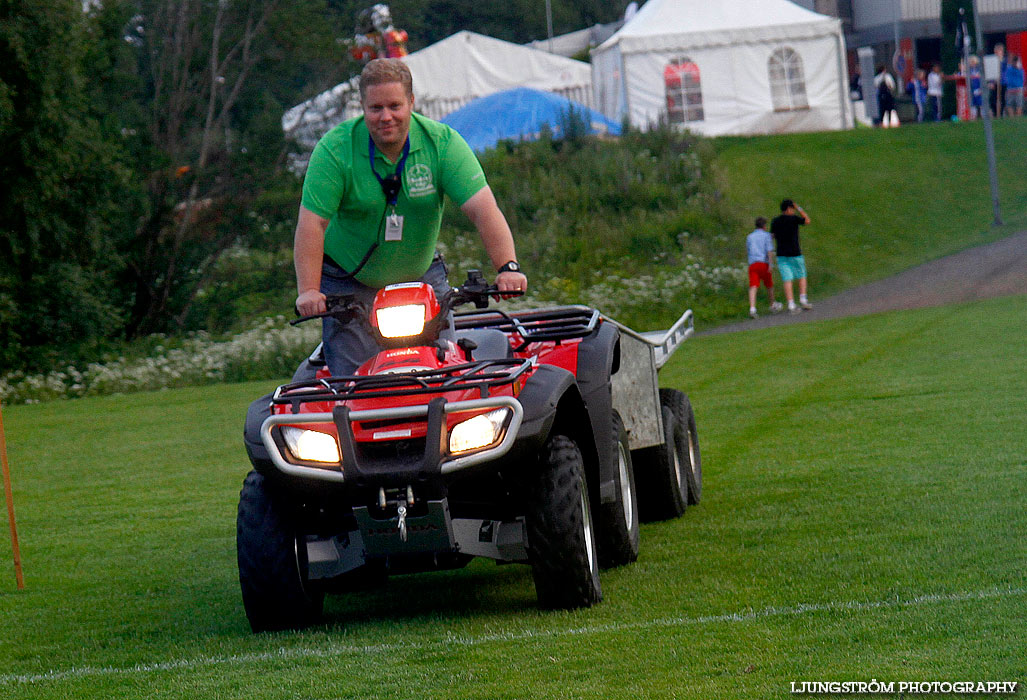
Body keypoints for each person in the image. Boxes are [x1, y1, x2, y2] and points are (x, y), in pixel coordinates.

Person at [294, 58, 527, 376]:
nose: (385, 117)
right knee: (354, 384)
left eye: (395, 106)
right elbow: (312, 223)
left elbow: (483, 210)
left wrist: (507, 268)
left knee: (445, 373)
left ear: (412, 103)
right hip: (348, 284)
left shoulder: (442, 144)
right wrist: (309, 291)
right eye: (376, 108)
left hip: (421, 278)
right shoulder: (334, 151)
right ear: (362, 107)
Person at [770, 199, 812, 314]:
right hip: (795, 252)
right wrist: (799, 208)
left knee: (787, 279)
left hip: (781, 254)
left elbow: (772, 236)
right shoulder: (793, 219)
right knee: (801, 275)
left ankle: (791, 303)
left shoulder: (775, 221)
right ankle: (803, 299)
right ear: (789, 208)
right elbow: (807, 221)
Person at [745, 217, 782, 319]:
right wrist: (771, 264)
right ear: (764, 226)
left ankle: (752, 308)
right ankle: (772, 304)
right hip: (763, 263)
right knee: (769, 285)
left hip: (753, 263)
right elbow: (769, 250)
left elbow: (748, 250)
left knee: (753, 286)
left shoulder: (750, 237)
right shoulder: (767, 236)